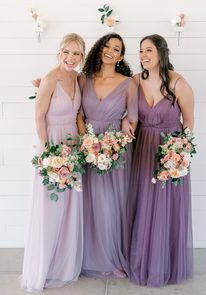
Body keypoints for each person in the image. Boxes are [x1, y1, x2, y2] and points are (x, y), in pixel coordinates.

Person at [127, 34, 194, 287]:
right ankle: (142, 259)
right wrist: (125, 119)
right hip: (143, 149)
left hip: (170, 152)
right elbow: (124, 107)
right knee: (144, 204)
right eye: (141, 51)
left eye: (149, 50)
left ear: (161, 53)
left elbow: (188, 122)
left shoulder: (179, 84)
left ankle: (166, 263)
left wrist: (180, 154)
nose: (143, 55)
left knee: (167, 207)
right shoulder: (135, 81)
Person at [21, 33, 85, 292]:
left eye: (76, 54)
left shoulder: (78, 79)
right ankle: (44, 267)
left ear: (82, 56)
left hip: (73, 145)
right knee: (49, 207)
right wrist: (47, 153)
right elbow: (38, 117)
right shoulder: (49, 80)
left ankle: (64, 266)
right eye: (66, 52)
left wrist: (82, 144)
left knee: (70, 206)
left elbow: (80, 112)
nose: (70, 58)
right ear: (59, 53)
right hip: (52, 145)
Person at [77, 33, 138, 279]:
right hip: (89, 146)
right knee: (91, 203)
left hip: (116, 149)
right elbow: (78, 114)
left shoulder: (128, 82)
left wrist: (116, 139)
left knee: (114, 203)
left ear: (121, 56)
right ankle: (91, 256)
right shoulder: (85, 79)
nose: (110, 50)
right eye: (107, 45)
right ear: (99, 49)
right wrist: (88, 142)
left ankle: (113, 256)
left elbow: (133, 117)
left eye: (116, 48)